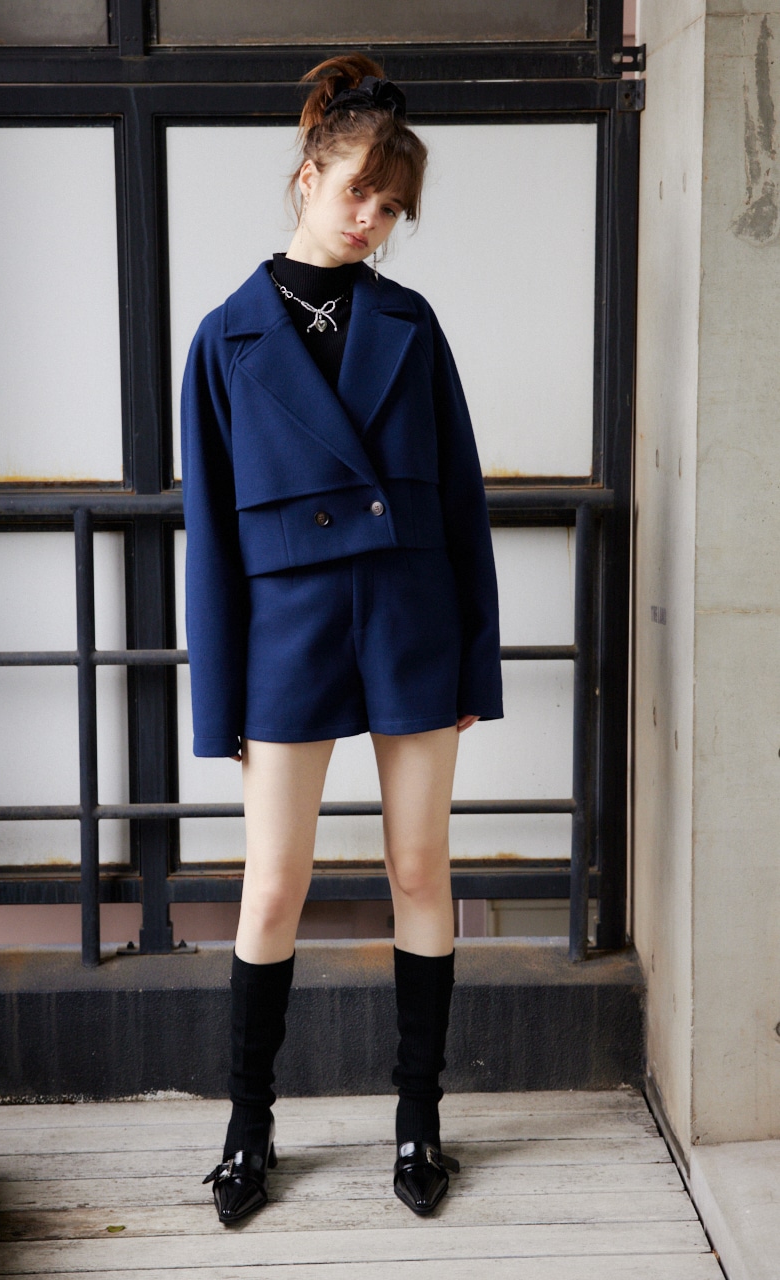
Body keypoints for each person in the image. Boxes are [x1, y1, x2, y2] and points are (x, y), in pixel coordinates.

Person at [181, 52, 502, 1225]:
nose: (372, 219)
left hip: (411, 617)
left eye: (392, 205)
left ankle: (418, 1117)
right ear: (309, 172)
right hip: (289, 630)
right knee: (274, 882)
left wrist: (474, 658)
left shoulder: (411, 324)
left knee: (420, 868)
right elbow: (209, 537)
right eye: (359, 189)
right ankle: (246, 1125)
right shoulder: (225, 338)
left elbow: (461, 504)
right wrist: (219, 699)